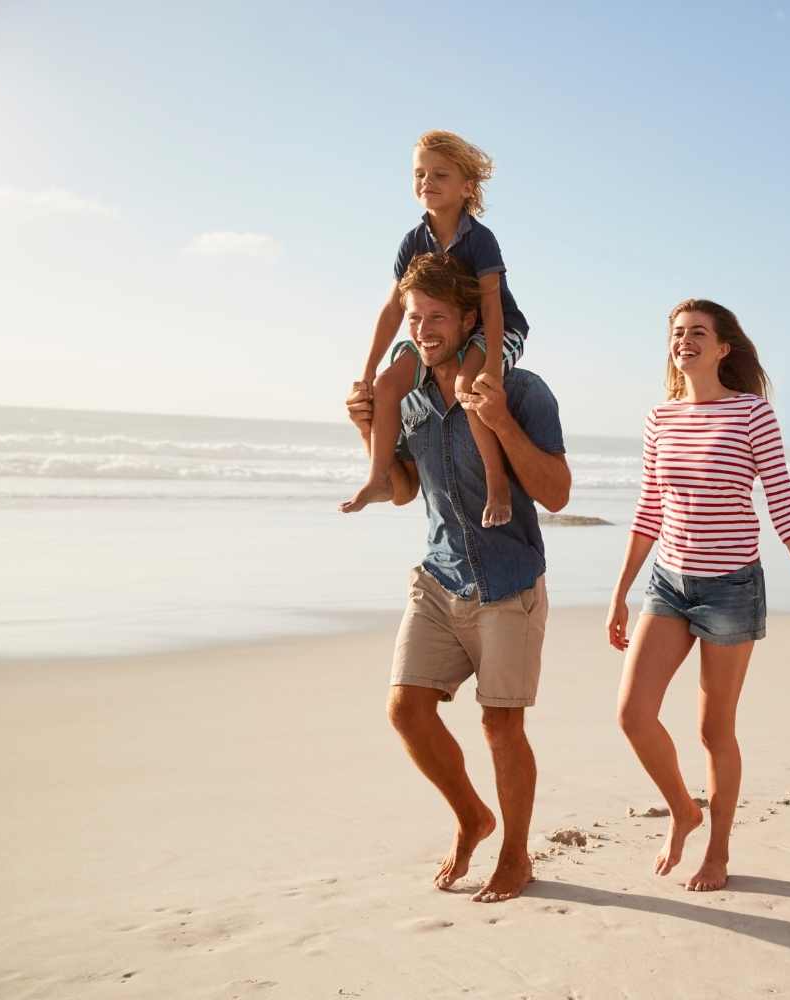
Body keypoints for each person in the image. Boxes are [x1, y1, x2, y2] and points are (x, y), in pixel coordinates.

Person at [343, 252, 570, 904]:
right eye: (415, 318)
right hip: (439, 576)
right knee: (406, 709)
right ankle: (473, 816)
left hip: (509, 582)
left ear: (470, 317)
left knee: (501, 727)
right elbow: (402, 488)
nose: (424, 329)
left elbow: (555, 493)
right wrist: (369, 436)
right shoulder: (409, 398)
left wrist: (499, 422)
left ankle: (516, 855)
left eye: (437, 316)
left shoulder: (524, 391)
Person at [605, 299, 790, 892]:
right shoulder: (660, 417)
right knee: (633, 714)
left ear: (722, 347)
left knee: (714, 731)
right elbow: (649, 508)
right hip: (668, 582)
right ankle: (684, 809)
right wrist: (620, 593)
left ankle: (718, 851)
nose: (684, 341)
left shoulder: (751, 414)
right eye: (677, 334)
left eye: (697, 333)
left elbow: (783, 501)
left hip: (731, 588)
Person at [341, 129, 531, 528]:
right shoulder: (413, 241)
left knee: (467, 385)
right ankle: (377, 478)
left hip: (494, 330)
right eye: (420, 173)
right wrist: (366, 373)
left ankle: (497, 484)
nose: (427, 182)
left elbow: (493, 309)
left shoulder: (480, 240)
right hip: (438, 331)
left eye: (440, 174)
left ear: (466, 187)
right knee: (388, 385)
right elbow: (394, 311)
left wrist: (491, 367)